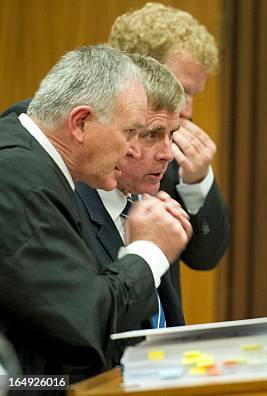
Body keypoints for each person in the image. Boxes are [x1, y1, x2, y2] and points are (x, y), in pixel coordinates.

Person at [0, 45, 192, 384]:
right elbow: (85, 325)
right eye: (131, 132)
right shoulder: (20, 180)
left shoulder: (30, 159)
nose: (131, 149)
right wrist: (148, 251)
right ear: (80, 123)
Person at [109, 2, 230, 297]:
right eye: (181, 90)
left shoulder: (172, 149)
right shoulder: (86, 153)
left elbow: (205, 257)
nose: (187, 111)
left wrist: (197, 182)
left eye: (193, 94)